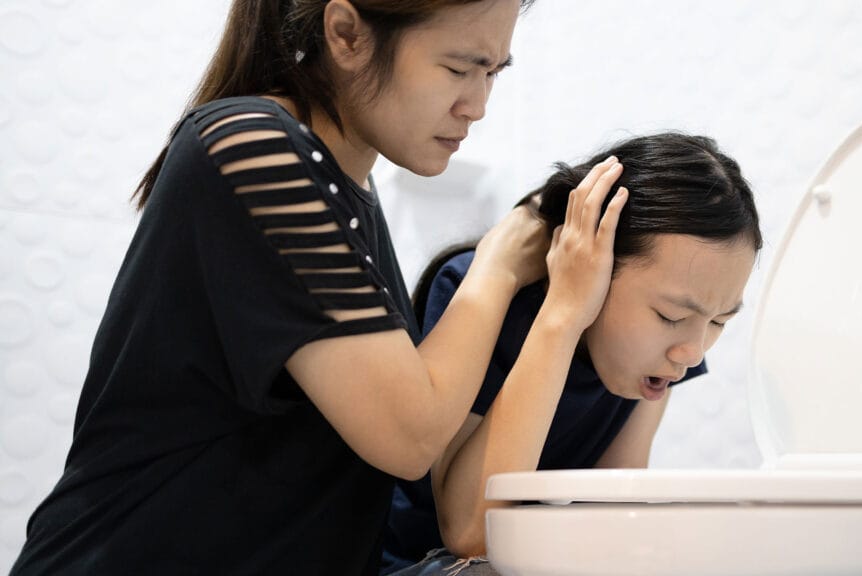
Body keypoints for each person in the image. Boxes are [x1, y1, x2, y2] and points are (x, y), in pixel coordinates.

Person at [4, 1, 629, 575]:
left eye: (493, 72)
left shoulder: (349, 193)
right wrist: (498, 263)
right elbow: (411, 435)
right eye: (460, 68)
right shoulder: (250, 144)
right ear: (347, 34)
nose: (477, 104)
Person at [383, 132, 763, 575]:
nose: (693, 352)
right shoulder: (481, 296)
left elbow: (611, 512)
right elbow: (471, 534)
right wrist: (563, 315)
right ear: (591, 261)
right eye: (670, 316)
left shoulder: (656, 358)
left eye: (719, 321)